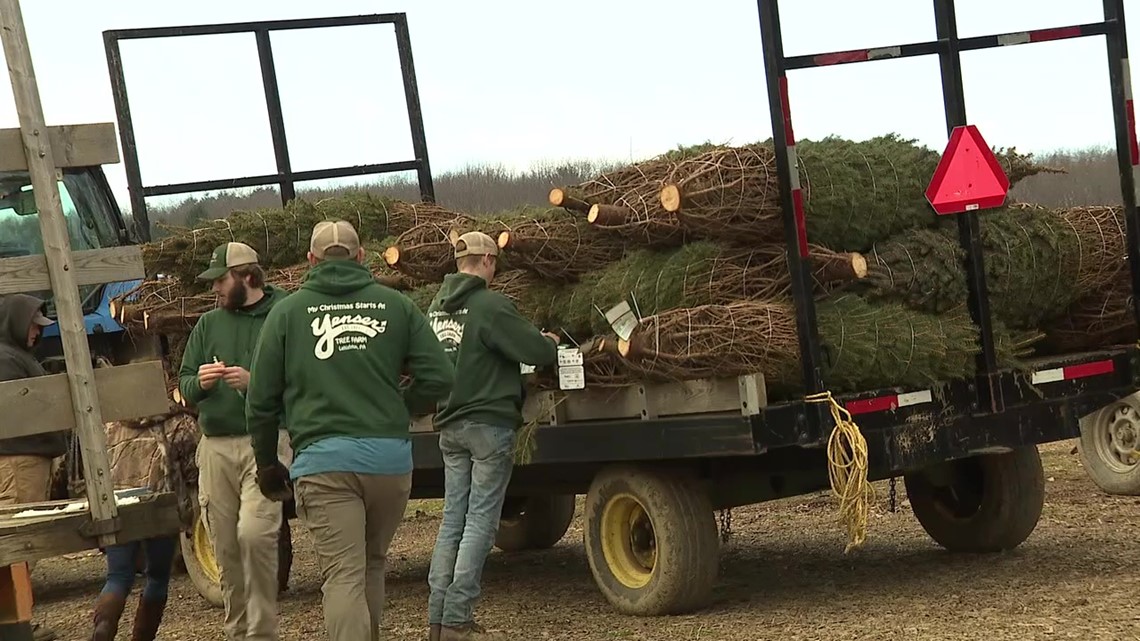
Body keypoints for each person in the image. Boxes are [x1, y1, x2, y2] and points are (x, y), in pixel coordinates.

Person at [245, 219, 454, 641]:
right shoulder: (395, 306)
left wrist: (267, 462)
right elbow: (441, 377)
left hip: (324, 465)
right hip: (389, 463)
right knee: (371, 565)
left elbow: (260, 401)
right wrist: (401, 405)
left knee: (343, 576)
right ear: (361, 257)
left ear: (311, 260)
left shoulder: (286, 312)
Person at [425, 232, 560, 641]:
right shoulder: (490, 306)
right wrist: (549, 343)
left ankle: (437, 617)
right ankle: (458, 619)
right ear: (486, 261)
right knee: (481, 521)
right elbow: (533, 351)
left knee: (453, 519)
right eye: (494, 262)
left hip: (450, 425)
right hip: (488, 424)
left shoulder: (436, 308)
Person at [177, 242, 293, 641]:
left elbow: (302, 380)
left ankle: (261, 631)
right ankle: (237, 631)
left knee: (254, 535)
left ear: (248, 277)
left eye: (220, 280)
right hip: (216, 447)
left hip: (267, 441)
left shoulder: (284, 314)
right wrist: (201, 385)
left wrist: (254, 385)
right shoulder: (209, 324)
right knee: (225, 545)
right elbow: (185, 383)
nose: (214, 290)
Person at [90, 410, 197, 641]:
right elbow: (191, 471)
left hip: (119, 506)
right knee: (158, 577)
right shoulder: (179, 423)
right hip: (162, 508)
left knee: (118, 577)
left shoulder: (109, 422)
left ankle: (103, 630)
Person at [0, 293, 67, 641]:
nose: (37, 333)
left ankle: (18, 624)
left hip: (26, 460)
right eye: (33, 325)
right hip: (17, 462)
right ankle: (16, 627)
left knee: (20, 549)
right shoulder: (5, 360)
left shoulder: (15, 356)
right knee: (17, 545)